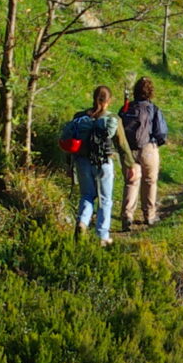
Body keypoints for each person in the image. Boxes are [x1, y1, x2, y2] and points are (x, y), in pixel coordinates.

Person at [62, 85, 134, 244]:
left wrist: (68, 165)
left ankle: (82, 222)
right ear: (109, 101)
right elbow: (122, 145)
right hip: (103, 162)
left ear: (93, 98)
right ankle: (102, 236)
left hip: (82, 162)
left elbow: (71, 142)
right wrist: (130, 165)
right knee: (105, 199)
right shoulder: (113, 119)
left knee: (87, 195)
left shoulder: (79, 117)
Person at [121, 77, 170, 231]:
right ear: (151, 92)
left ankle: (127, 216)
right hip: (148, 148)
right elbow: (161, 132)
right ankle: (149, 215)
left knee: (131, 182)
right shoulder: (153, 109)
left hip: (129, 150)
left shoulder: (126, 108)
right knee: (149, 181)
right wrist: (158, 143)